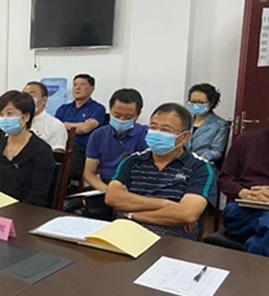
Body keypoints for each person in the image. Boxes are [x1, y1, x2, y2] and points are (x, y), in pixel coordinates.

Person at [105, 103, 216, 240]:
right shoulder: (132, 161)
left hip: (171, 237)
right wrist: (165, 204)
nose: (157, 133)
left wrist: (131, 214)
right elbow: (112, 197)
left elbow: (186, 214)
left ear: (184, 137)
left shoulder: (199, 167)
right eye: (153, 127)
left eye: (165, 130)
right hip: (125, 232)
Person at [72, 89, 148, 220]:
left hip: (135, 188)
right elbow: (89, 173)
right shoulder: (98, 135)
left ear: (138, 115)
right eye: (117, 115)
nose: (121, 120)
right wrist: (108, 190)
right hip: (105, 187)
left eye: (128, 117)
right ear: (110, 110)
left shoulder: (145, 135)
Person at [0, 91, 55, 206]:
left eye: (9, 113)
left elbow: (38, 196)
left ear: (26, 117)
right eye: (1, 114)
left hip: (23, 211)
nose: (4, 118)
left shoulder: (41, 151)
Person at [218, 128, 269, 255]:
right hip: (242, 208)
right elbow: (224, 178)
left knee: (257, 242)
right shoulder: (246, 140)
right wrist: (244, 193)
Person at [55, 74, 106, 179]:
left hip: (81, 149)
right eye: (75, 85)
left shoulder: (97, 108)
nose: (77, 88)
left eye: (82, 84)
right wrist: (80, 124)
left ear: (92, 88)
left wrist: (65, 124)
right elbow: (56, 127)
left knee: (65, 171)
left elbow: (85, 129)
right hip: (61, 145)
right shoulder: (64, 108)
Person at [186, 83, 230, 164]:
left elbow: (216, 150)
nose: (195, 105)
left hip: (202, 163)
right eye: (192, 102)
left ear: (211, 103)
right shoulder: (184, 119)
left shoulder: (220, 124)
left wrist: (201, 159)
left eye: (200, 102)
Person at [23, 81, 68, 151]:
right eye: (24, 96)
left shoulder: (55, 125)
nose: (26, 100)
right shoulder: (17, 122)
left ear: (44, 100)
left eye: (31, 96)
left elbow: (57, 154)